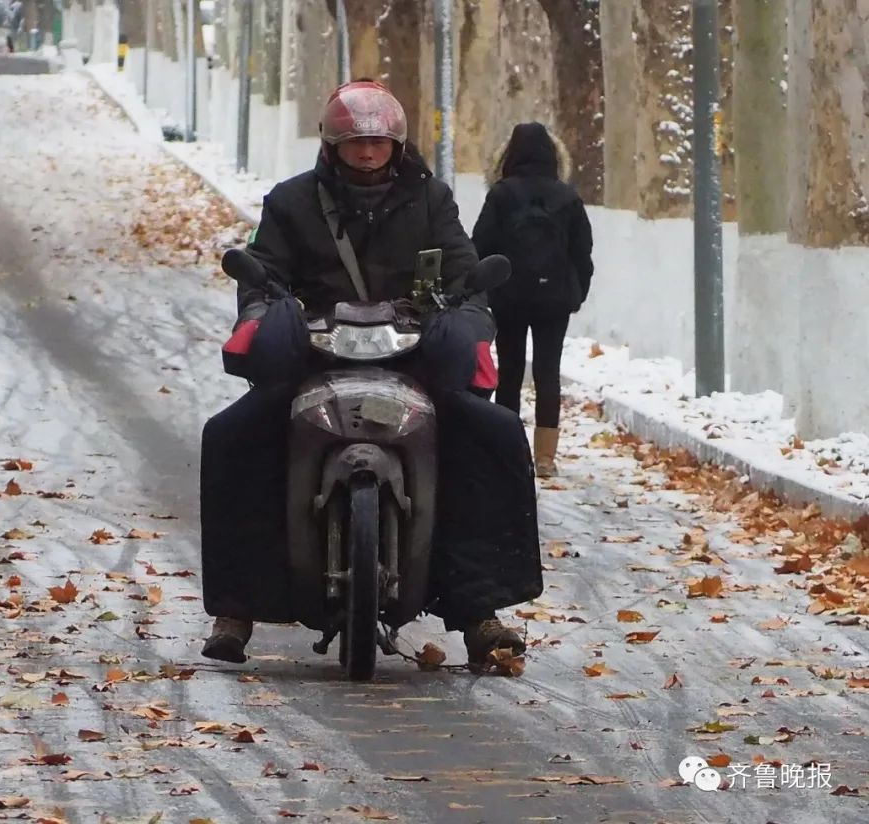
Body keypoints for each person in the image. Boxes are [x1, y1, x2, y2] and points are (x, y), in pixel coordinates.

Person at [200, 80, 542, 671]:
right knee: (233, 436)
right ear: (332, 145)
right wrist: (265, 315)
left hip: (412, 353)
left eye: (377, 142)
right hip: (316, 353)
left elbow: (464, 274)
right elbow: (262, 274)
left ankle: (480, 610)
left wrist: (464, 317)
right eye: (354, 142)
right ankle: (236, 609)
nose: (366, 152)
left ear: (396, 146)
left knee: (491, 435)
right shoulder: (290, 201)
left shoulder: (432, 200)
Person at [471, 123, 594, 478]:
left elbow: (480, 244)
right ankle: (545, 458)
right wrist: (576, 293)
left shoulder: (502, 195)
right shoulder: (567, 197)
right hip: (554, 299)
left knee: (509, 372)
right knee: (547, 372)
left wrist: (485, 288)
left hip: (508, 296)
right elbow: (582, 252)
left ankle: (510, 453)